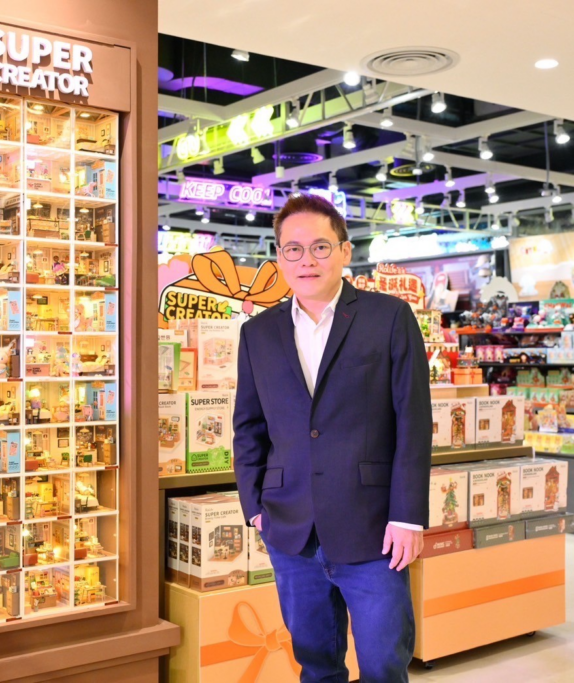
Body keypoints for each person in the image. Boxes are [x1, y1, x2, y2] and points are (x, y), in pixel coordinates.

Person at [233, 193, 431, 682]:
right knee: (316, 665)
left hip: (374, 528)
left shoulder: (389, 317)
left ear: (344, 251)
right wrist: (254, 506)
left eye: (320, 247)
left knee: (384, 664)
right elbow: (249, 427)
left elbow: (412, 420)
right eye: (293, 249)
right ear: (279, 257)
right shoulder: (258, 333)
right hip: (291, 530)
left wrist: (408, 516)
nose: (307, 260)